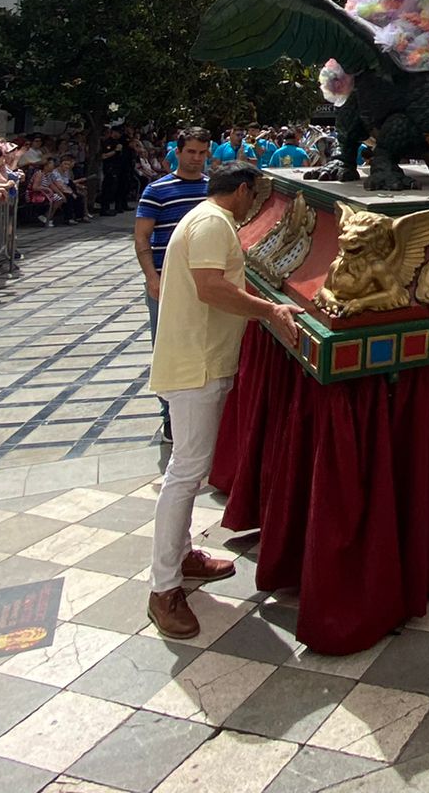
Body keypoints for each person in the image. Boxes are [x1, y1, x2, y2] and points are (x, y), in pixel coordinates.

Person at [148, 163, 303, 639]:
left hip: (199, 360)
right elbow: (212, 288)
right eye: (253, 197)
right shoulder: (214, 223)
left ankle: (183, 555)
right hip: (196, 365)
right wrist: (271, 310)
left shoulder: (206, 218)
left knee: (189, 470)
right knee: (185, 474)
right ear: (241, 191)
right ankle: (163, 588)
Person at [135, 130, 212, 443]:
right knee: (167, 348)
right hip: (165, 282)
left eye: (202, 152)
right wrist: (151, 278)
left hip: (204, 280)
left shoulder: (212, 189)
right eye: (191, 152)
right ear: (178, 153)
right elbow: (142, 237)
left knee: (203, 346)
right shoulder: (156, 190)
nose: (196, 158)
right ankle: (169, 416)